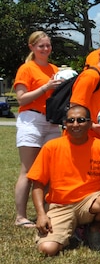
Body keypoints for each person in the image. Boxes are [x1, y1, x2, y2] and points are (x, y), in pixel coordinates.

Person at [28, 105, 100, 256]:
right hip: (60, 205)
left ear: (89, 123)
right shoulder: (51, 147)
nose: (75, 124)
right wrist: (41, 214)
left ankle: (93, 229)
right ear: (65, 124)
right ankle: (71, 229)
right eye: (70, 120)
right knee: (47, 249)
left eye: (81, 120)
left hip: (89, 202)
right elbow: (38, 184)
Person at [13, 31, 63, 228]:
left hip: (51, 121)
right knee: (28, 171)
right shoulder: (27, 69)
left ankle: (47, 211)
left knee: (49, 171)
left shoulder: (54, 68)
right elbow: (21, 98)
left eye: (48, 45)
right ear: (32, 47)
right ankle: (21, 217)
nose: (45, 49)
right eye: (41, 46)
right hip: (31, 119)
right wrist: (45, 87)